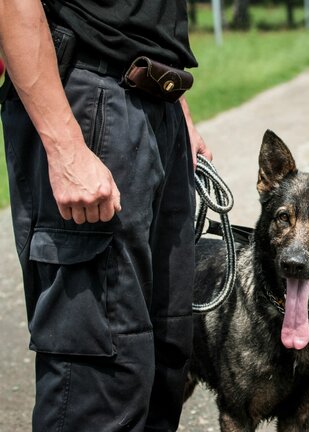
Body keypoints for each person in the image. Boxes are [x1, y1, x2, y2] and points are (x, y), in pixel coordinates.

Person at [0, 0, 212, 430]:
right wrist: (64, 146)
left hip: (158, 103)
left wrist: (175, 101)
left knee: (165, 354)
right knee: (99, 375)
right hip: (88, 100)